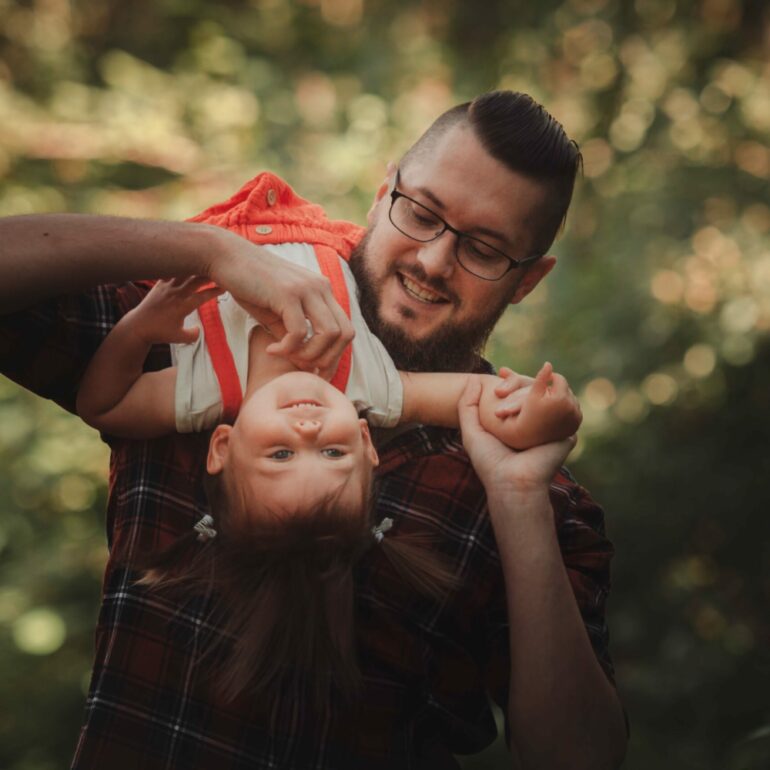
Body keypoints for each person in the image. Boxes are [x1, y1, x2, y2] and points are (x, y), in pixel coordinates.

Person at [0, 90, 627, 768]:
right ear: (383, 193)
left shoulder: (529, 484)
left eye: (484, 249)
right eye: (422, 214)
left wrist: (517, 499)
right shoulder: (197, 335)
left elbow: (579, 757)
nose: (434, 262)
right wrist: (208, 249)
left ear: (528, 280)